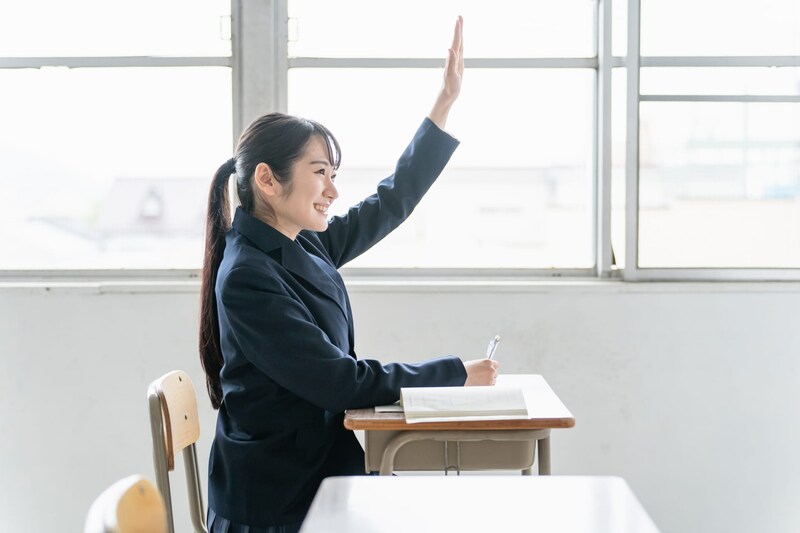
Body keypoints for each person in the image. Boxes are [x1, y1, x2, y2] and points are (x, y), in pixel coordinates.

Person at [198, 16, 497, 533]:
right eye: (320, 173)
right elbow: (339, 381)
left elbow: (390, 202)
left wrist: (444, 104)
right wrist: (455, 372)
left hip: (314, 473)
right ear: (267, 180)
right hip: (276, 501)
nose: (332, 191)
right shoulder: (248, 275)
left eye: (333, 176)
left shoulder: (299, 244)